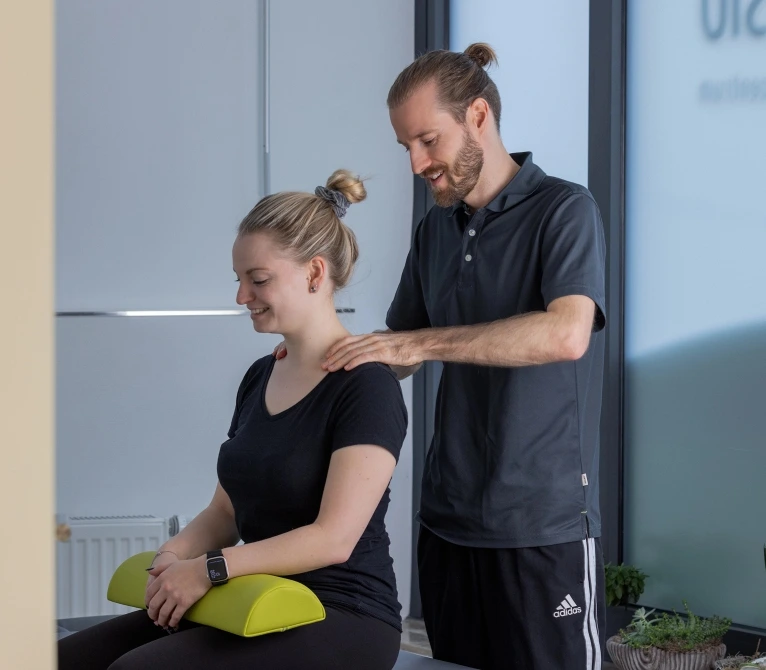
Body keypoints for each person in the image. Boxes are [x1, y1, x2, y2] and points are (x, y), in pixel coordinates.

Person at [300, 44, 607, 669]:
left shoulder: (564, 210)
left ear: (478, 117)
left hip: (540, 527)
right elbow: (397, 353)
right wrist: (312, 340)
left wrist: (420, 342)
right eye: (405, 147)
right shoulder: (434, 230)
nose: (416, 163)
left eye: (427, 141)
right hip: (446, 523)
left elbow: (566, 334)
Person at [58, 170, 407, 670]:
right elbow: (224, 513)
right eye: (239, 281)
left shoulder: (366, 386)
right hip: (250, 598)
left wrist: (211, 570)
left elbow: (334, 538)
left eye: (258, 280)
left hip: (343, 614)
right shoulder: (260, 376)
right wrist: (173, 559)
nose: (242, 297)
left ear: (314, 274)